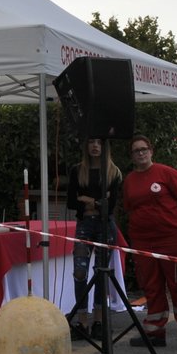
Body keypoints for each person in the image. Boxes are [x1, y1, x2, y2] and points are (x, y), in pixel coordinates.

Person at [122, 134, 177, 349]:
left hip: (173, 240)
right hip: (143, 242)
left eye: (143, 149)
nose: (140, 153)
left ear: (151, 151)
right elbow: (130, 209)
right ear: (131, 155)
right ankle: (155, 332)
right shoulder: (129, 180)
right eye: (136, 151)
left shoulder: (167, 173)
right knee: (151, 286)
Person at [65, 138, 122, 341]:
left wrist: (88, 200)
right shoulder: (77, 171)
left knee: (101, 273)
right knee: (79, 272)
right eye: (90, 142)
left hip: (105, 226)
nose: (95, 146)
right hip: (84, 225)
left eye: (99, 142)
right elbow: (72, 201)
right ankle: (82, 322)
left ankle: (98, 321)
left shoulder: (113, 172)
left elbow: (111, 204)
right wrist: (98, 202)